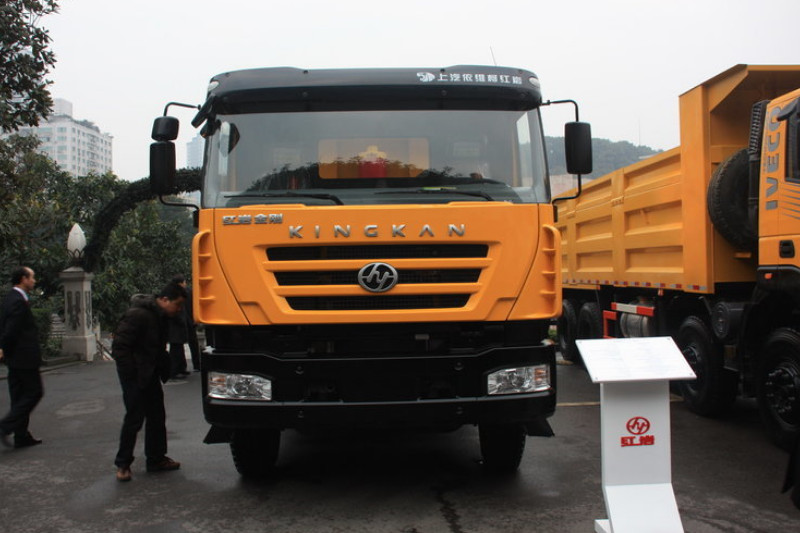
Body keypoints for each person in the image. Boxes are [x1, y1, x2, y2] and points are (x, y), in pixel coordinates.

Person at [111, 281, 187, 481]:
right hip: (135, 376)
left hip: (150, 373)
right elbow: (119, 347)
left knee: (156, 416)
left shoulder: (160, 316)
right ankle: (123, 464)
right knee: (134, 418)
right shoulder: (138, 315)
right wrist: (131, 374)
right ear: (165, 300)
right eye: (178, 304)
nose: (179, 309)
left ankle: (156, 458)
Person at [0, 266, 44, 449]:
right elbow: (11, 329)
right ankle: (5, 426)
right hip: (24, 357)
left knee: (19, 396)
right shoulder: (18, 301)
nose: (34, 281)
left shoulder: (10, 298)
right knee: (34, 392)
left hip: (14, 357)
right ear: (23, 279)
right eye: (32, 277)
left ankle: (21, 435)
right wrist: (3, 347)